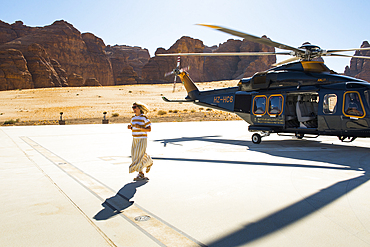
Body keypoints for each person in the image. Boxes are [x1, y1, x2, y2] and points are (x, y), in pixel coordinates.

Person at [127, 102, 153, 181]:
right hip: (135, 139)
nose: (133, 109)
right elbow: (134, 127)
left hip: (142, 139)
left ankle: (140, 174)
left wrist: (140, 127)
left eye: (135, 107)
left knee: (139, 156)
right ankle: (149, 161)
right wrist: (130, 128)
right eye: (133, 107)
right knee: (135, 156)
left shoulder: (144, 118)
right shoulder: (133, 118)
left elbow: (149, 129)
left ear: (139, 108)